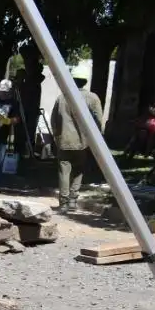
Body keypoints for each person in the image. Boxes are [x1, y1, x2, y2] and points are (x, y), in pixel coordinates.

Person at [50, 76, 104, 212]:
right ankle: (73, 199)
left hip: (64, 140)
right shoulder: (92, 98)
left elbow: (53, 120)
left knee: (64, 171)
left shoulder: (62, 98)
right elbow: (98, 119)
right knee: (79, 170)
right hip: (83, 142)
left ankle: (63, 202)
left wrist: (56, 136)